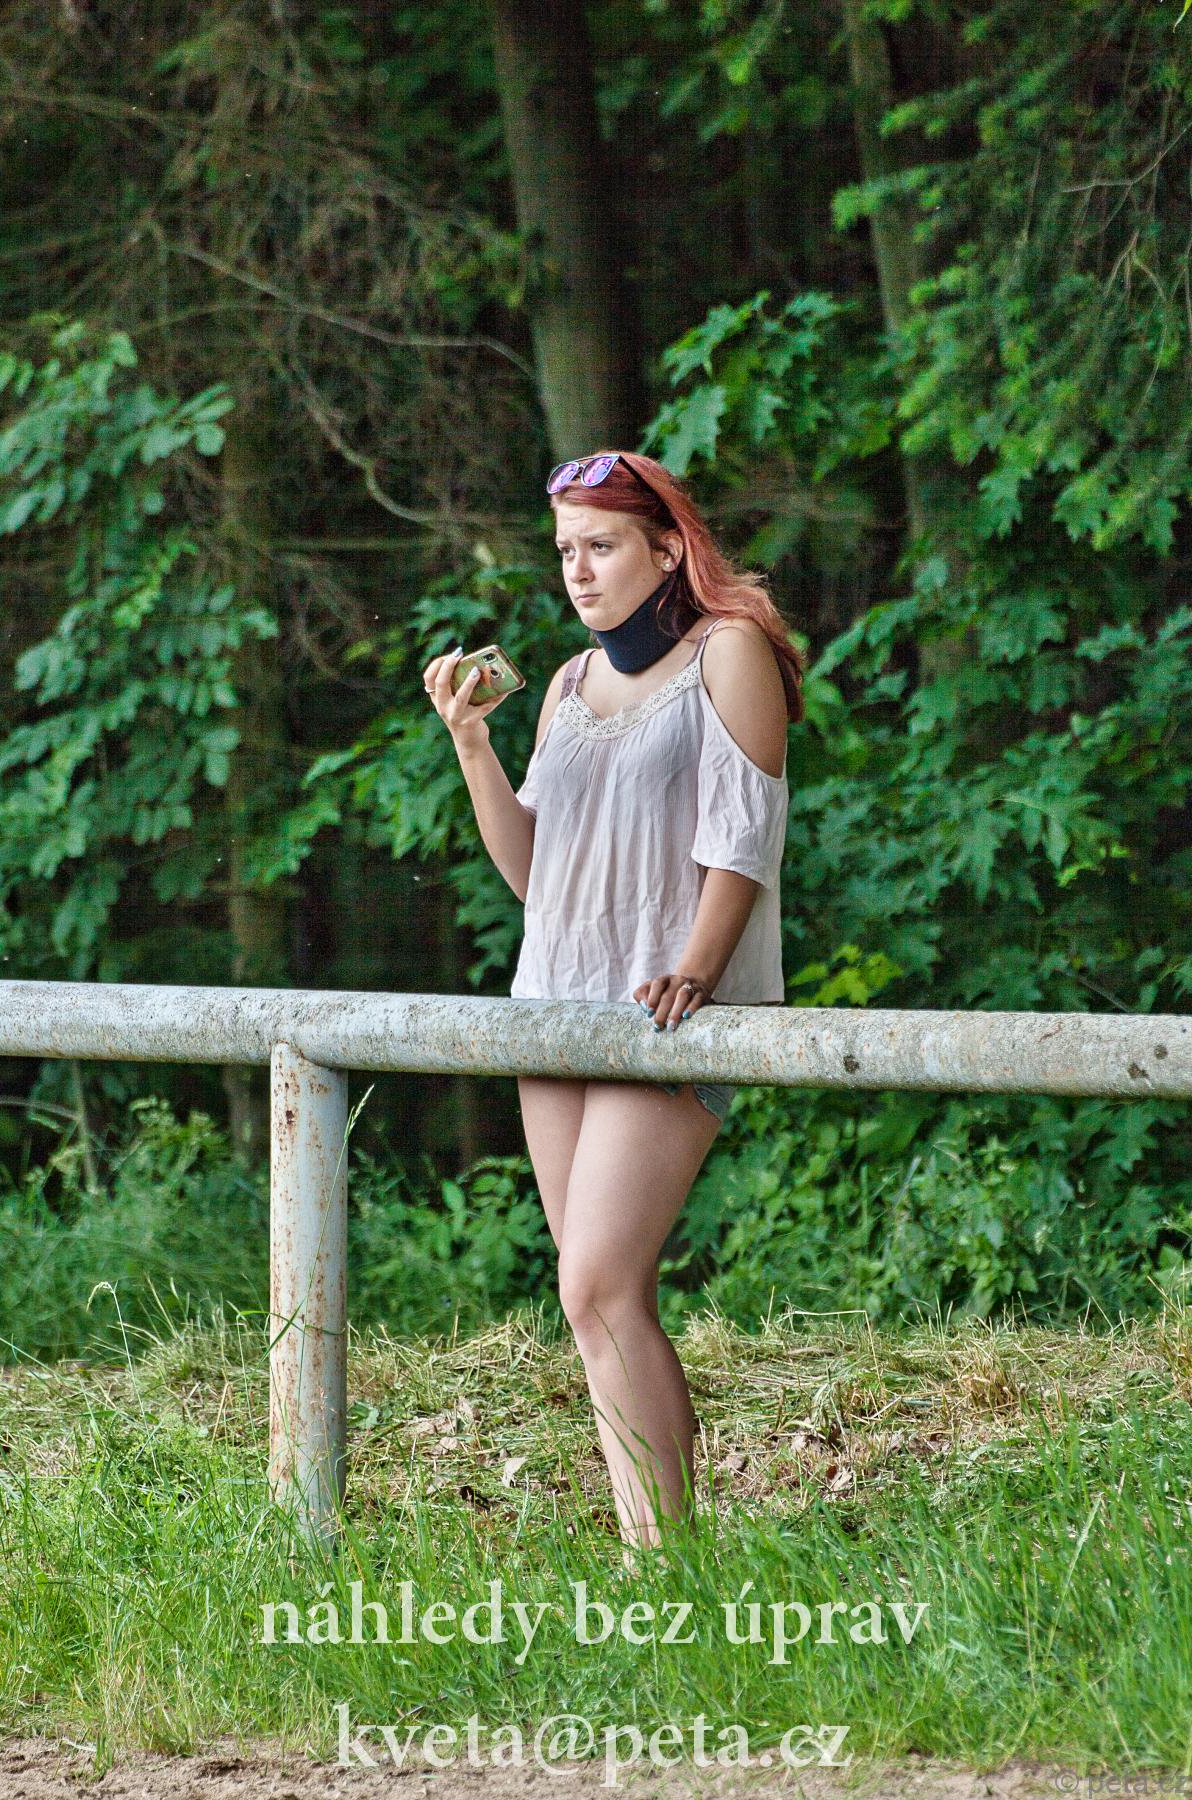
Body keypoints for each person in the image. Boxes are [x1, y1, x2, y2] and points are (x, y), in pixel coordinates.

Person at [422, 449, 805, 1563]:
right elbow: (535, 876)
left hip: (663, 1012)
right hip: (555, 1008)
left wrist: (697, 968)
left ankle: (663, 1561)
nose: (578, 572)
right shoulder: (562, 687)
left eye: (601, 546)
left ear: (668, 548)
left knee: (597, 1282)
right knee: (593, 1294)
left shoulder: (727, 652)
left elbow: (743, 834)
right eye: (564, 552)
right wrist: (473, 746)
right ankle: (660, 1562)